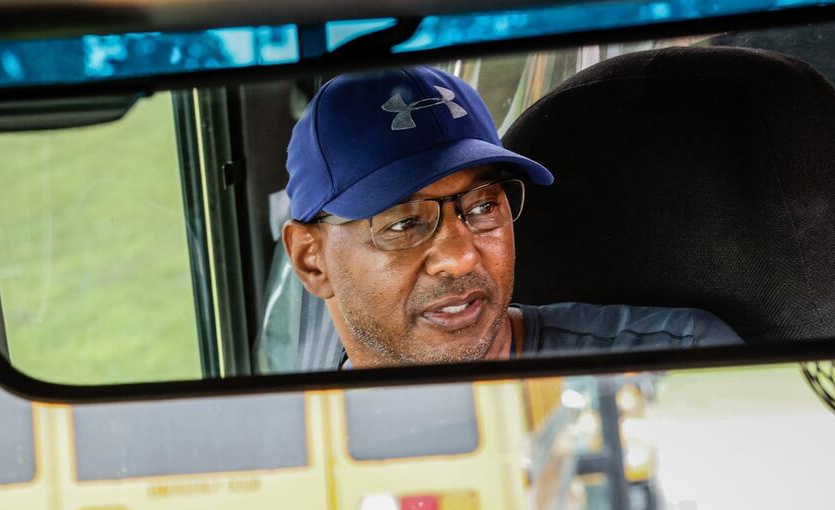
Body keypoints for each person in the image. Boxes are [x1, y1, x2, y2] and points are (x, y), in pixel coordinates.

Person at [281, 66, 739, 369]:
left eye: (483, 207)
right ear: (311, 262)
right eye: (404, 223)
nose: (460, 258)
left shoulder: (679, 363)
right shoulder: (285, 448)